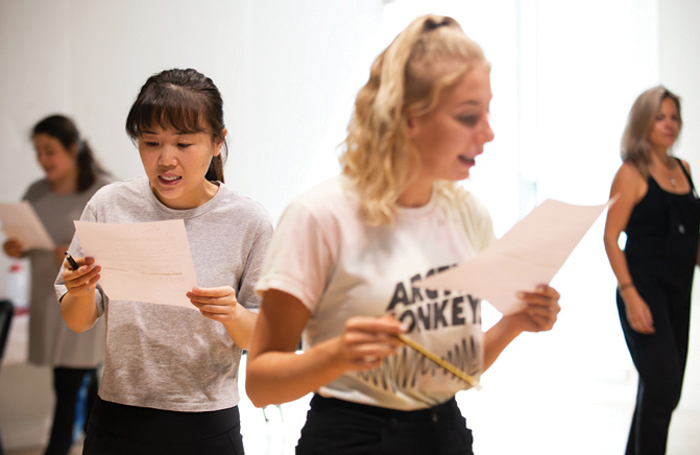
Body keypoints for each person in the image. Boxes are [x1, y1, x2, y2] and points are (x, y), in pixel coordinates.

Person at [245, 15, 561, 455]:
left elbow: (455, 370)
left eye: (488, 112)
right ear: (410, 118)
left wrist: (514, 324)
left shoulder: (467, 212)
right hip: (350, 437)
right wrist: (336, 355)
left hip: (445, 432)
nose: (488, 133)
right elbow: (260, 384)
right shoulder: (318, 217)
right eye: (469, 116)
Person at [54, 68, 273, 455]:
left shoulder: (249, 221)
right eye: (151, 142)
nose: (165, 160)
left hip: (207, 420)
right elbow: (78, 320)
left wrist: (232, 313)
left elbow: (262, 338)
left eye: (184, 144)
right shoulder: (109, 205)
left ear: (217, 142)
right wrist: (80, 290)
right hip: (117, 416)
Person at [2, 114, 110, 455]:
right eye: (38, 152)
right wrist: (13, 245)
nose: (42, 160)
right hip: (47, 302)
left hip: (87, 302)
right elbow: (21, 238)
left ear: (73, 148)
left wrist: (71, 251)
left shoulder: (102, 192)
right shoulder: (35, 192)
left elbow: (115, 245)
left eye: (50, 151)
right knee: (82, 385)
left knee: (68, 386)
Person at [603, 86, 699, 455]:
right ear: (643, 122)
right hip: (643, 293)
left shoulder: (684, 170)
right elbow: (611, 238)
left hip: (679, 292)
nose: (669, 124)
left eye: (674, 117)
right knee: (663, 391)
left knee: (658, 390)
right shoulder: (630, 173)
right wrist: (629, 295)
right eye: (660, 117)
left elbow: (690, 231)